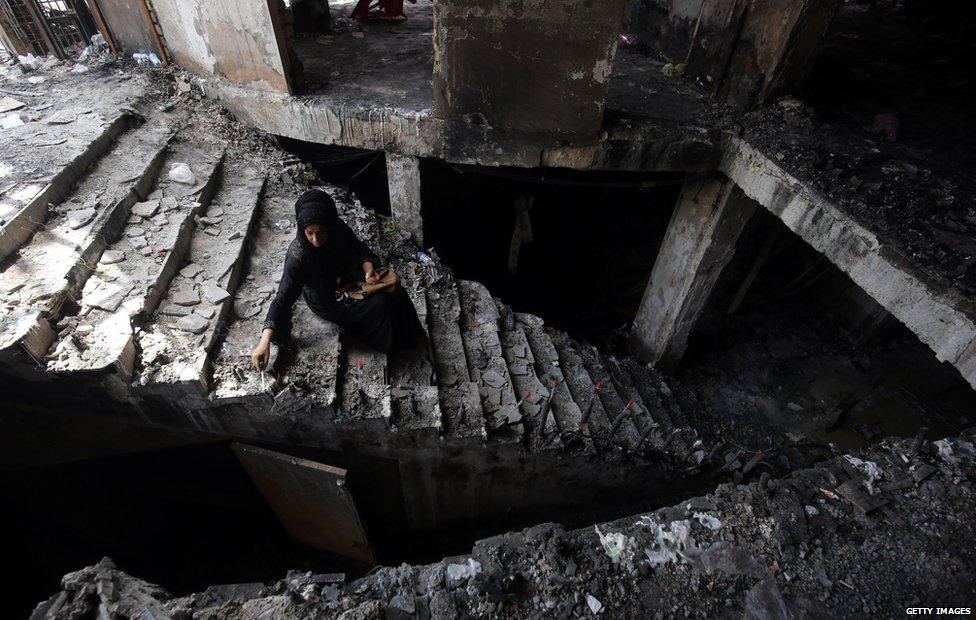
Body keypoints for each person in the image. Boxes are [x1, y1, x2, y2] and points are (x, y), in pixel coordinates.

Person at [251, 189, 422, 371]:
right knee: (380, 303)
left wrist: (369, 271)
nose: (316, 239)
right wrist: (265, 340)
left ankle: (410, 337)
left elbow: (361, 249)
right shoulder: (298, 256)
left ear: (330, 226)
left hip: (349, 281)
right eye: (309, 233)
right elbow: (282, 298)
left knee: (396, 291)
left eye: (321, 232)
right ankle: (395, 346)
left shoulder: (338, 228)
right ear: (302, 230)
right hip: (329, 300)